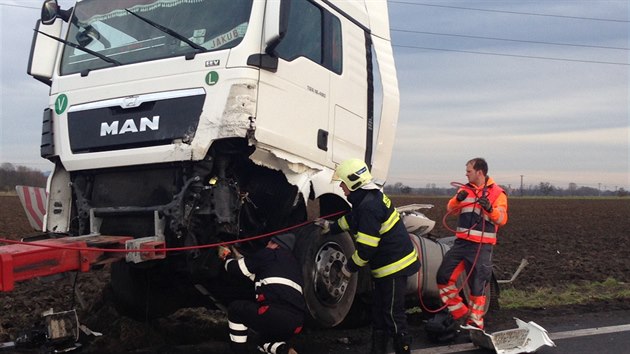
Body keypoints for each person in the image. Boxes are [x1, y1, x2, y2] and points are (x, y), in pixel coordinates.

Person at [315, 158, 420, 354]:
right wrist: (332, 226)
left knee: (392, 315)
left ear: (354, 182)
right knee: (379, 314)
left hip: (395, 267)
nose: (340, 186)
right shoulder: (365, 199)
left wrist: (347, 269)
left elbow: (366, 250)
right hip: (386, 267)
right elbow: (353, 220)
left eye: (343, 182)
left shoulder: (368, 206)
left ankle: (403, 349)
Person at [436, 157, 508, 330]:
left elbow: (502, 219)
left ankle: (475, 324)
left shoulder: (498, 193)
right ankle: (460, 313)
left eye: (469, 171)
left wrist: (490, 209)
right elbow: (450, 210)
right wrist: (457, 200)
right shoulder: (464, 190)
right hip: (461, 243)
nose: (466, 174)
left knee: (477, 286)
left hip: (481, 246)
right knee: (443, 277)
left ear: (479, 172)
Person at [219, 233, 305, 354]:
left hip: (274, 313)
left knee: (235, 309)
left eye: (269, 242)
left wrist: (226, 256)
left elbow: (236, 269)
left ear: (276, 245)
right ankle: (284, 350)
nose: (266, 245)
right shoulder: (293, 265)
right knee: (264, 342)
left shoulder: (269, 253)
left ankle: (239, 351)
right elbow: (259, 276)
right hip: (296, 323)